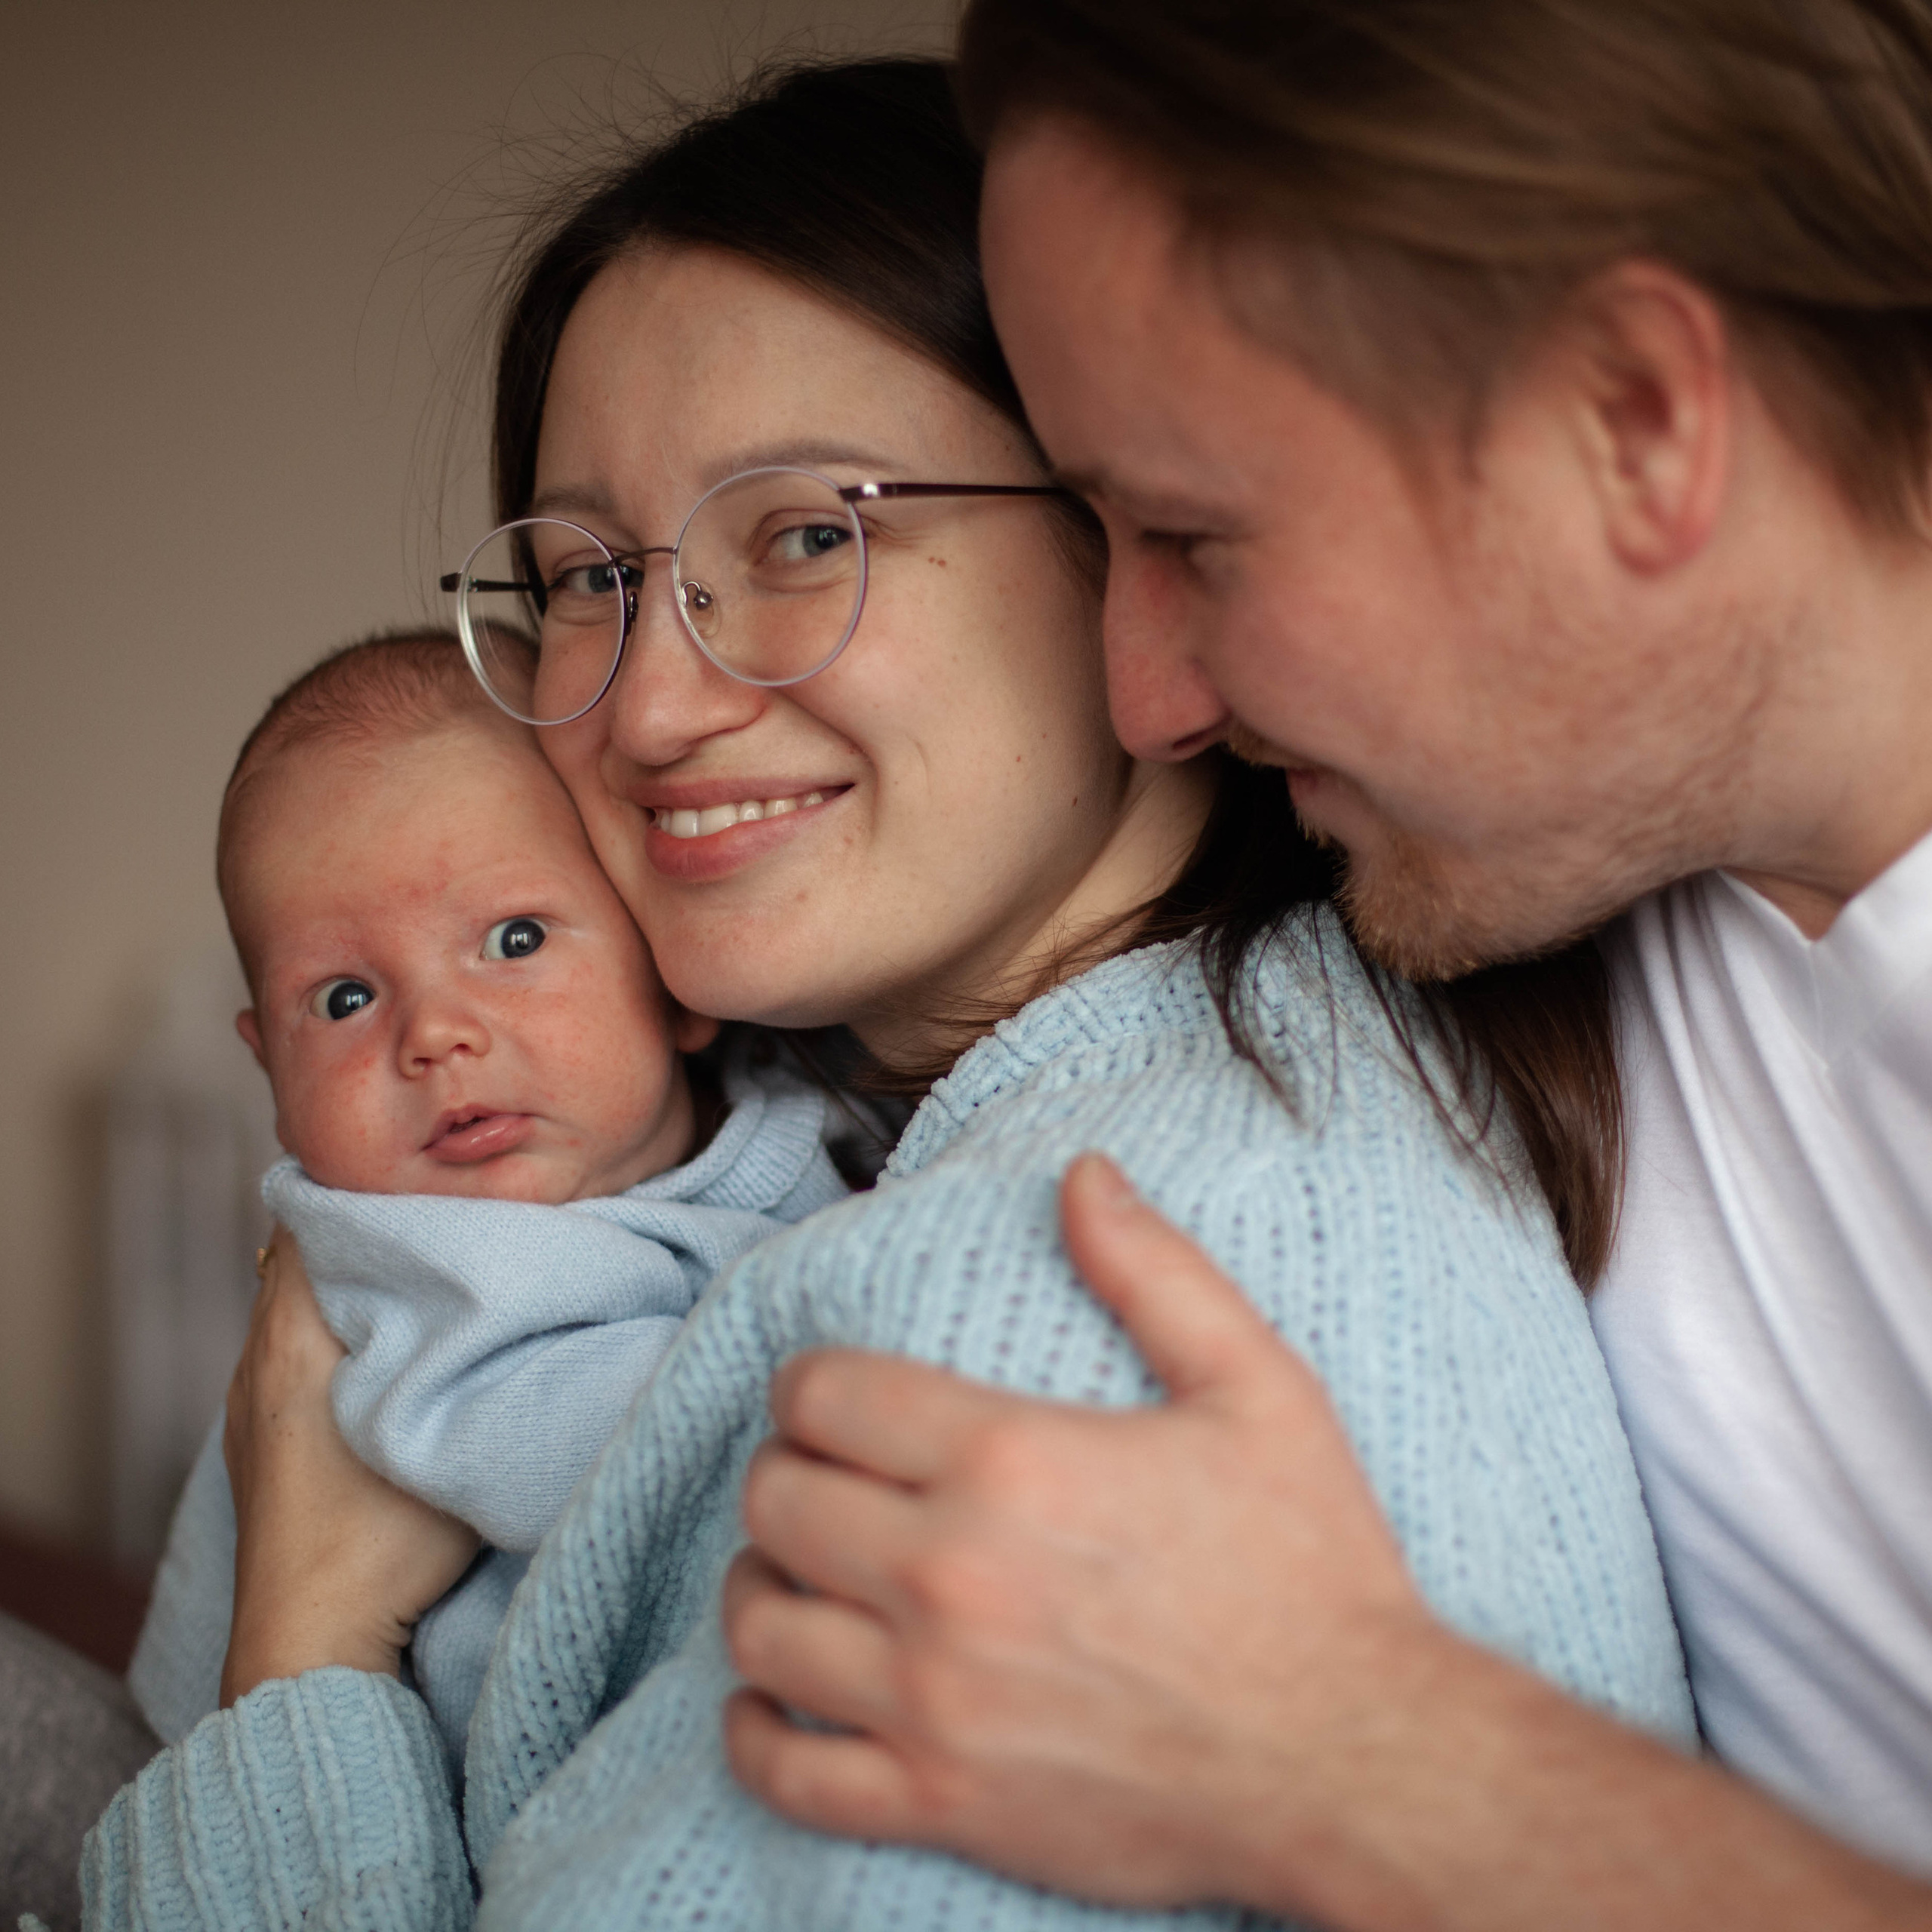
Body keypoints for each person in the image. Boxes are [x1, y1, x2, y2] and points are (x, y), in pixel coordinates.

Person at [84, 57, 1690, 1929]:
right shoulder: (882, 1107)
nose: (658, 703)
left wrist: (304, 1646)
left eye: (808, 535)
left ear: (1130, 533)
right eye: (591, 576)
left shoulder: (1067, 1287)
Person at [710, 5, 1932, 1927]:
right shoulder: (1540, 872)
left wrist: (1366, 1756)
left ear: (1634, 422)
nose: (1145, 696)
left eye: (1196, 532)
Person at [128, 629, 847, 1766]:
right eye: (347, 997)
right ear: (268, 1070)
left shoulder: (803, 1120)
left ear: (674, 967)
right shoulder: (403, 1259)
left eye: (513, 940)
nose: (436, 1035)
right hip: (422, 1781)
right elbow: (584, 1462)